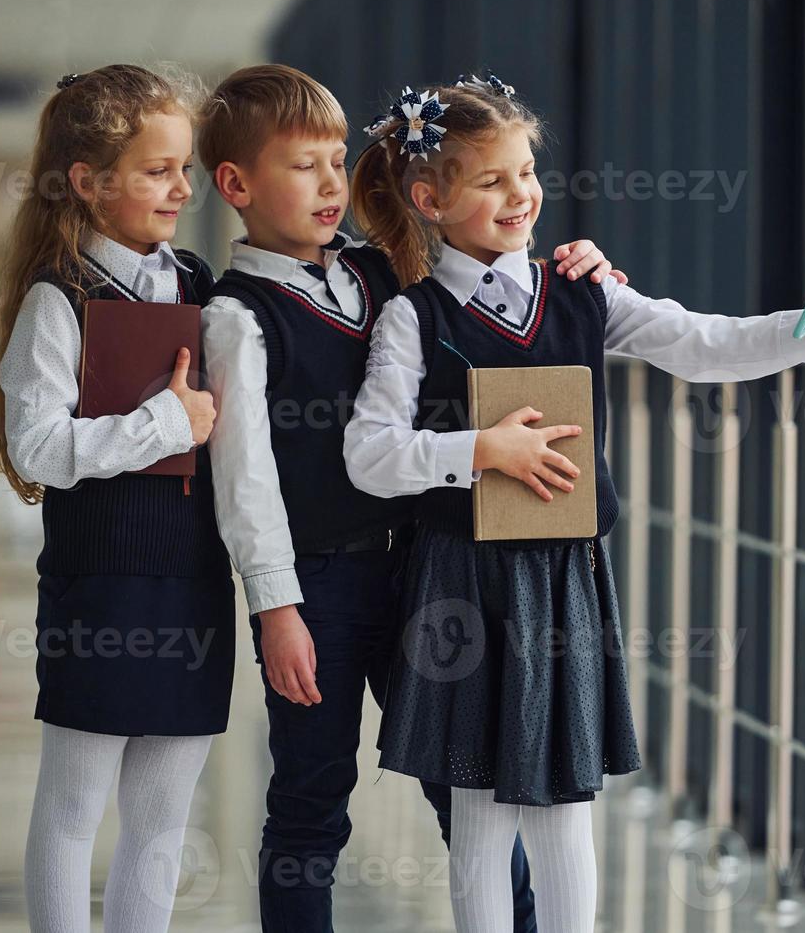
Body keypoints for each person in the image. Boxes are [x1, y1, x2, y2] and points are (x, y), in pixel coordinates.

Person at [343, 72, 805, 932]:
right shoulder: (414, 317)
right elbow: (369, 454)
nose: (521, 194)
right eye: (491, 180)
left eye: (525, 172)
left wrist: (799, 331)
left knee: (564, 808)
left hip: (562, 578)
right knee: (478, 813)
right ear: (430, 200)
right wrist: (483, 450)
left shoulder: (584, 292)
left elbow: (697, 343)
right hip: (462, 581)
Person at [196, 62, 624, 933]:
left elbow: (487, 292)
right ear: (237, 185)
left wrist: (579, 265)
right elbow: (245, 481)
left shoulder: (382, 277)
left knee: (470, 780)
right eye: (299, 164)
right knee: (312, 800)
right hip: (318, 591)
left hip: (429, 576)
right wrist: (277, 608)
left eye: (332, 160)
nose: (327, 183)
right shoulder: (236, 316)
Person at [0, 63, 233, 933]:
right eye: (159, 169)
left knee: (163, 820)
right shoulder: (60, 299)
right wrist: (168, 421)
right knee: (73, 807)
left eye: (185, 167)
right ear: (88, 183)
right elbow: (37, 447)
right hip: (100, 583)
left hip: (195, 580)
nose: (181, 186)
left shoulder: (202, 284)